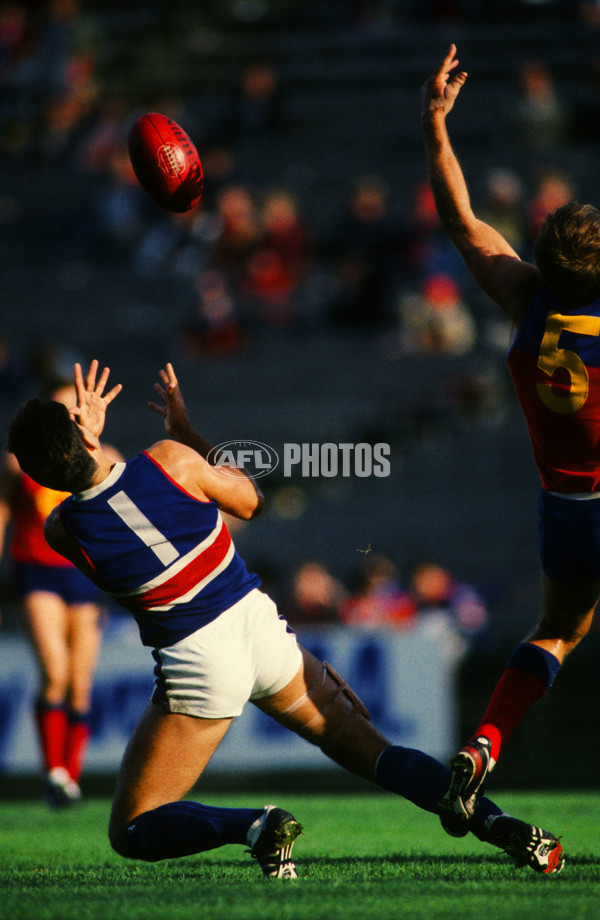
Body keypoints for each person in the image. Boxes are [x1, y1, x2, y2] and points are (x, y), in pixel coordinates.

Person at [7, 360, 564, 876]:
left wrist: (83, 445)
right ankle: (505, 826)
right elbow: (249, 500)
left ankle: (255, 825)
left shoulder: (64, 533)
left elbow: (95, 494)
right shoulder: (170, 459)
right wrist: (186, 433)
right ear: (84, 432)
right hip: (260, 627)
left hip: (198, 658)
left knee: (133, 827)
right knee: (378, 754)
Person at [421, 44, 600, 835]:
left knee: (559, 630)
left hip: (564, 511)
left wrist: (435, 127)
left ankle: (487, 742)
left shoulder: (527, 300)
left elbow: (463, 223)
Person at [0, 374, 120, 805]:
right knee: (55, 671)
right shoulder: (19, 462)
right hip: (36, 570)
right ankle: (53, 771)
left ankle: (70, 777)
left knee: (81, 683)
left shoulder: (103, 457)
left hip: (83, 574)